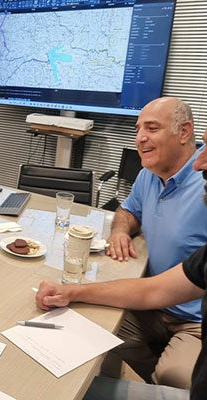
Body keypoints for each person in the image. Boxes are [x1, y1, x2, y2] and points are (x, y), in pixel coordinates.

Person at [101, 97, 206, 388]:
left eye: (152, 128)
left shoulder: (205, 181)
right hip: (150, 304)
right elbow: (128, 211)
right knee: (93, 329)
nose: (140, 138)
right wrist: (120, 231)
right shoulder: (148, 175)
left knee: (176, 379)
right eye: (138, 130)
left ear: (184, 132)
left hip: (194, 321)